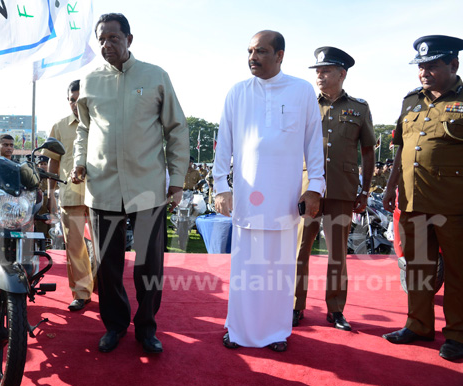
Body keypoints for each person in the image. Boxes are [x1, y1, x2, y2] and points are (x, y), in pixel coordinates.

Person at [71, 13, 189, 353]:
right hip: (103, 186)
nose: (107, 45)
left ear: (129, 39)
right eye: (101, 39)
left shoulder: (155, 76)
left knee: (148, 264)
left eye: (113, 38)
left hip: (147, 188)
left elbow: (177, 129)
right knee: (106, 265)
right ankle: (115, 324)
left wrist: (177, 180)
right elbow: (83, 128)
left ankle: (147, 328)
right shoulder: (90, 79)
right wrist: (80, 162)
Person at [213, 30, 325, 352]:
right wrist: (222, 186)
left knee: (279, 271)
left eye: (260, 51)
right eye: (249, 51)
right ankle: (238, 330)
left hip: (285, 200)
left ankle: (277, 332)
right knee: (245, 270)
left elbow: (313, 143)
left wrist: (315, 187)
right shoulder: (237, 93)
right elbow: (225, 144)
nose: (252, 57)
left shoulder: (302, 91)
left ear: (279, 55)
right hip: (247, 199)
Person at [382, 35, 463, 362]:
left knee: (458, 271)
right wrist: (390, 187)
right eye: (421, 67)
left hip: (454, 204)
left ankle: (457, 335)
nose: (424, 72)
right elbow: (403, 148)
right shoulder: (411, 101)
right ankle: (418, 325)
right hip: (413, 202)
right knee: (418, 269)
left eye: (432, 66)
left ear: (453, 65)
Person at [293, 47, 376, 331]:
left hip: (342, 190)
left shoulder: (359, 108)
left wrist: (365, 191)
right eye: (317, 70)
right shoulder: (304, 104)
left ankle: (336, 310)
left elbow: (367, 151)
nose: (319, 74)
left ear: (341, 74)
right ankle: (295, 306)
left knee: (338, 254)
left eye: (326, 70)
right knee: (300, 250)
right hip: (308, 190)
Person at [44, 80, 96, 312]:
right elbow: (52, 163)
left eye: (79, 99)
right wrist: (49, 195)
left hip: (101, 195)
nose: (75, 104)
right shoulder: (59, 127)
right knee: (75, 246)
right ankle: (82, 292)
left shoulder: (102, 125)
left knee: (104, 246)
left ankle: (97, 282)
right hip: (70, 194)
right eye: (71, 100)